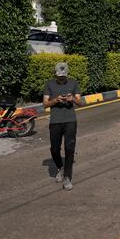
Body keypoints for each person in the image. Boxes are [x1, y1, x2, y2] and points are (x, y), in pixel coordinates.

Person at [43, 62, 84, 190]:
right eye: (60, 76)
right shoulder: (49, 84)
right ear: (55, 74)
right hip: (55, 121)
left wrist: (72, 99)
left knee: (69, 148)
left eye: (64, 76)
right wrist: (55, 100)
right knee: (54, 149)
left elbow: (81, 103)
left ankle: (67, 177)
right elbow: (45, 104)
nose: (62, 78)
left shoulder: (73, 83)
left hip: (70, 120)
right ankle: (60, 167)